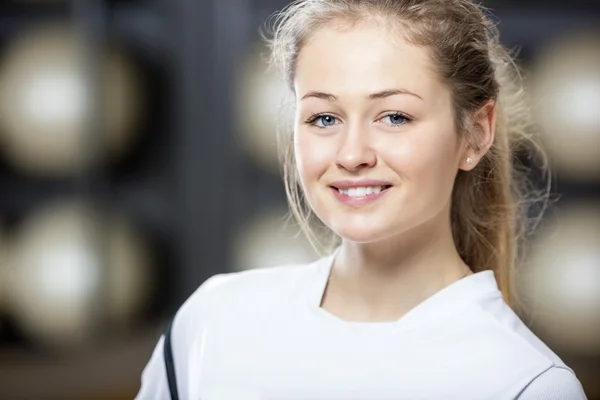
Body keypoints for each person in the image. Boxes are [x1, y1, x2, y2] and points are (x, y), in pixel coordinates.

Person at [136, 0, 588, 399]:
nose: (352, 155)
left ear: (476, 131)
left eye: (394, 116)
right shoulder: (214, 322)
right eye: (324, 117)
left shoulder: (527, 384)